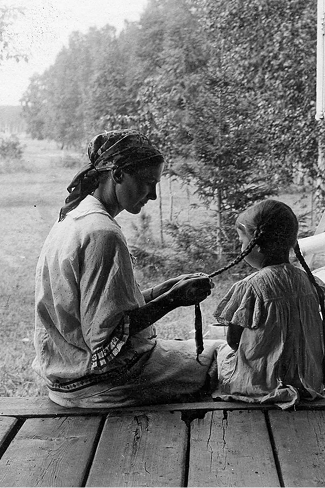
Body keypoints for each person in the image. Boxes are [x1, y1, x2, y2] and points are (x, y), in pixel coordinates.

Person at [32, 129, 222, 408]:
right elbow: (106, 336)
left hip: (65, 380)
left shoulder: (74, 219)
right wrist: (173, 300)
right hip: (104, 382)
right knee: (221, 354)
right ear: (118, 174)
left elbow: (97, 310)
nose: (153, 195)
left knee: (197, 346)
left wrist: (162, 290)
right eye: (148, 182)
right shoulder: (103, 233)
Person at [211, 199, 325, 409]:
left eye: (242, 241)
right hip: (308, 382)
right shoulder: (309, 282)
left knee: (218, 354)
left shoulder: (250, 287)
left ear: (257, 245)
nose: (241, 248)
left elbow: (233, 341)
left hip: (262, 383)